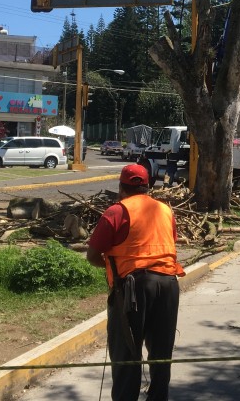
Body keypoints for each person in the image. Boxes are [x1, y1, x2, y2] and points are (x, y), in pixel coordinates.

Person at [87, 164, 185, 401]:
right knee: (161, 353)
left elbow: (92, 256)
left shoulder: (116, 212)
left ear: (121, 187)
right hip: (168, 284)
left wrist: (114, 268)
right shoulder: (165, 210)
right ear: (147, 187)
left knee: (127, 353)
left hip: (133, 288)